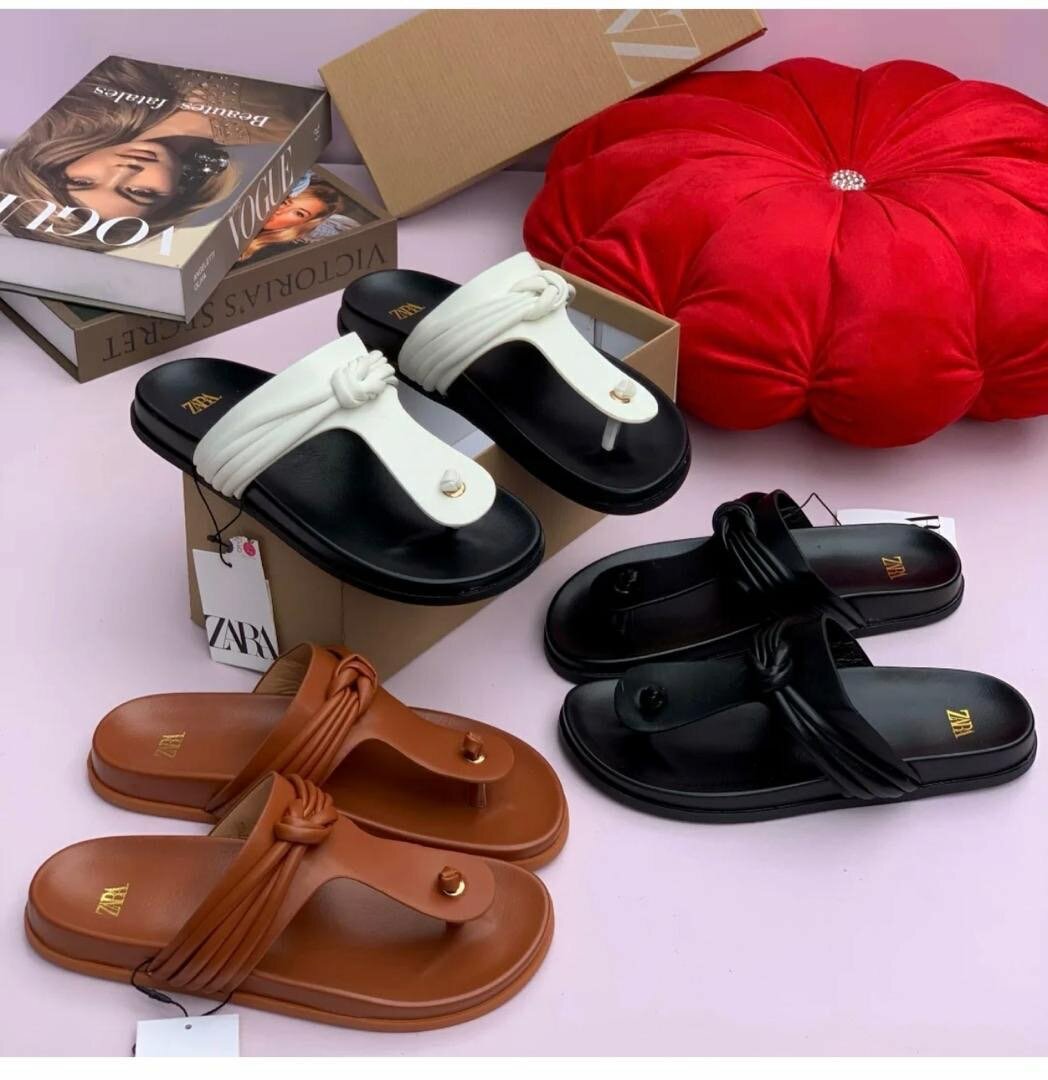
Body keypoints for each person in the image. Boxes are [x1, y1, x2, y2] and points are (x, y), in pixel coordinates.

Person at [236, 181, 352, 266]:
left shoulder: (268, 255)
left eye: (299, 213)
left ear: (302, 224)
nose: (279, 211)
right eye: (286, 202)